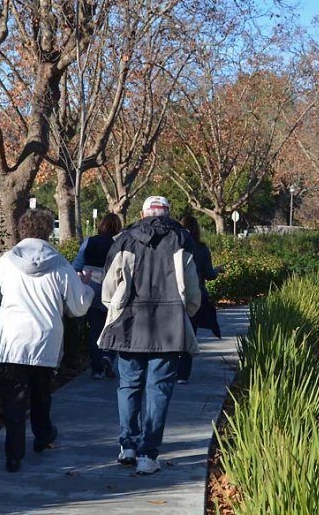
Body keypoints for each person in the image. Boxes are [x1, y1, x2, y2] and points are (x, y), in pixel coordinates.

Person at [0, 208, 94, 473]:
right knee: (41, 393)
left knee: (13, 398)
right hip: (46, 339)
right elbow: (77, 308)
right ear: (47, 232)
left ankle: (13, 454)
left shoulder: (5, 262)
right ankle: (42, 435)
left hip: (11, 341)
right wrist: (86, 287)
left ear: (22, 231)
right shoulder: (61, 265)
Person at [98, 195, 201, 475]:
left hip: (129, 324)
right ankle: (148, 454)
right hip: (170, 326)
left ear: (143, 214)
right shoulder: (183, 239)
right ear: (168, 214)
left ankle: (127, 446)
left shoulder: (125, 238)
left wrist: (114, 309)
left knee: (129, 385)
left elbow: (109, 287)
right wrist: (186, 314)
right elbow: (192, 290)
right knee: (159, 391)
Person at [72, 213, 123, 379]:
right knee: (112, 327)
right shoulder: (119, 245)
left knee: (94, 329)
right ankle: (108, 356)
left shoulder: (89, 242)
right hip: (112, 290)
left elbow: (77, 266)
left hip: (91, 288)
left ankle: (96, 369)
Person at [176, 215, 223, 384]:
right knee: (190, 334)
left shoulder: (172, 247)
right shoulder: (202, 250)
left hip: (173, 295)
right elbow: (209, 275)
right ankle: (182, 374)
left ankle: (170, 369)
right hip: (195, 296)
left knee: (172, 333)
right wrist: (218, 270)